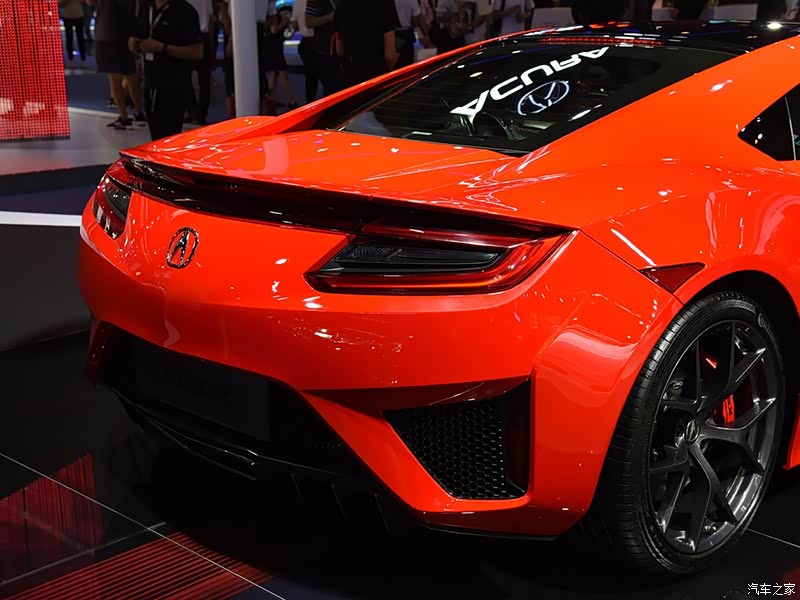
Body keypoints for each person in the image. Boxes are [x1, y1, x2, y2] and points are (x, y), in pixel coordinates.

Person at [129, 0, 203, 140]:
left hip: (173, 85)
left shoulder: (184, 11)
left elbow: (197, 52)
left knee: (168, 136)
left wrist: (163, 48)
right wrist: (134, 43)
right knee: (155, 135)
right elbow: (137, 35)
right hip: (150, 82)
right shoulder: (146, 7)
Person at [87, 0, 145, 129]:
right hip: (122, 31)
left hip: (108, 32)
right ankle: (137, 112)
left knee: (116, 76)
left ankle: (125, 116)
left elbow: (91, 2)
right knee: (129, 74)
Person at [334, 0, 400, 87]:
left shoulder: (342, 5)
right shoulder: (385, 3)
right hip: (378, 76)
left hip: (351, 76)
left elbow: (339, 50)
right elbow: (390, 56)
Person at [264, 0, 298, 110]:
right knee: (282, 72)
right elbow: (274, 29)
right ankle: (291, 100)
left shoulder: (271, 10)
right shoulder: (273, 12)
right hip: (274, 47)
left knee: (274, 73)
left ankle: (271, 98)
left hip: (274, 46)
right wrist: (285, 21)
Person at [185, 0, 214, 123]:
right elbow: (210, 18)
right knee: (204, 78)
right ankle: (202, 112)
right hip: (203, 35)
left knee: (184, 76)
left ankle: (192, 110)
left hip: (187, 35)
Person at [306, 0, 340, 96]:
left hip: (343, 49)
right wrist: (331, 16)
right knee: (331, 88)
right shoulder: (315, 1)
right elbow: (308, 22)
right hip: (325, 50)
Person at [294, 0, 321, 103]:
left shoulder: (298, 2)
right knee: (326, 78)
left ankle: (310, 103)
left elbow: (295, 25)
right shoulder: (314, 2)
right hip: (317, 41)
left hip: (305, 42)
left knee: (310, 77)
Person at [394, 0, 431, 68]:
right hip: (406, 34)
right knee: (407, 65)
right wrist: (426, 34)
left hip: (389, 35)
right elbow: (417, 19)